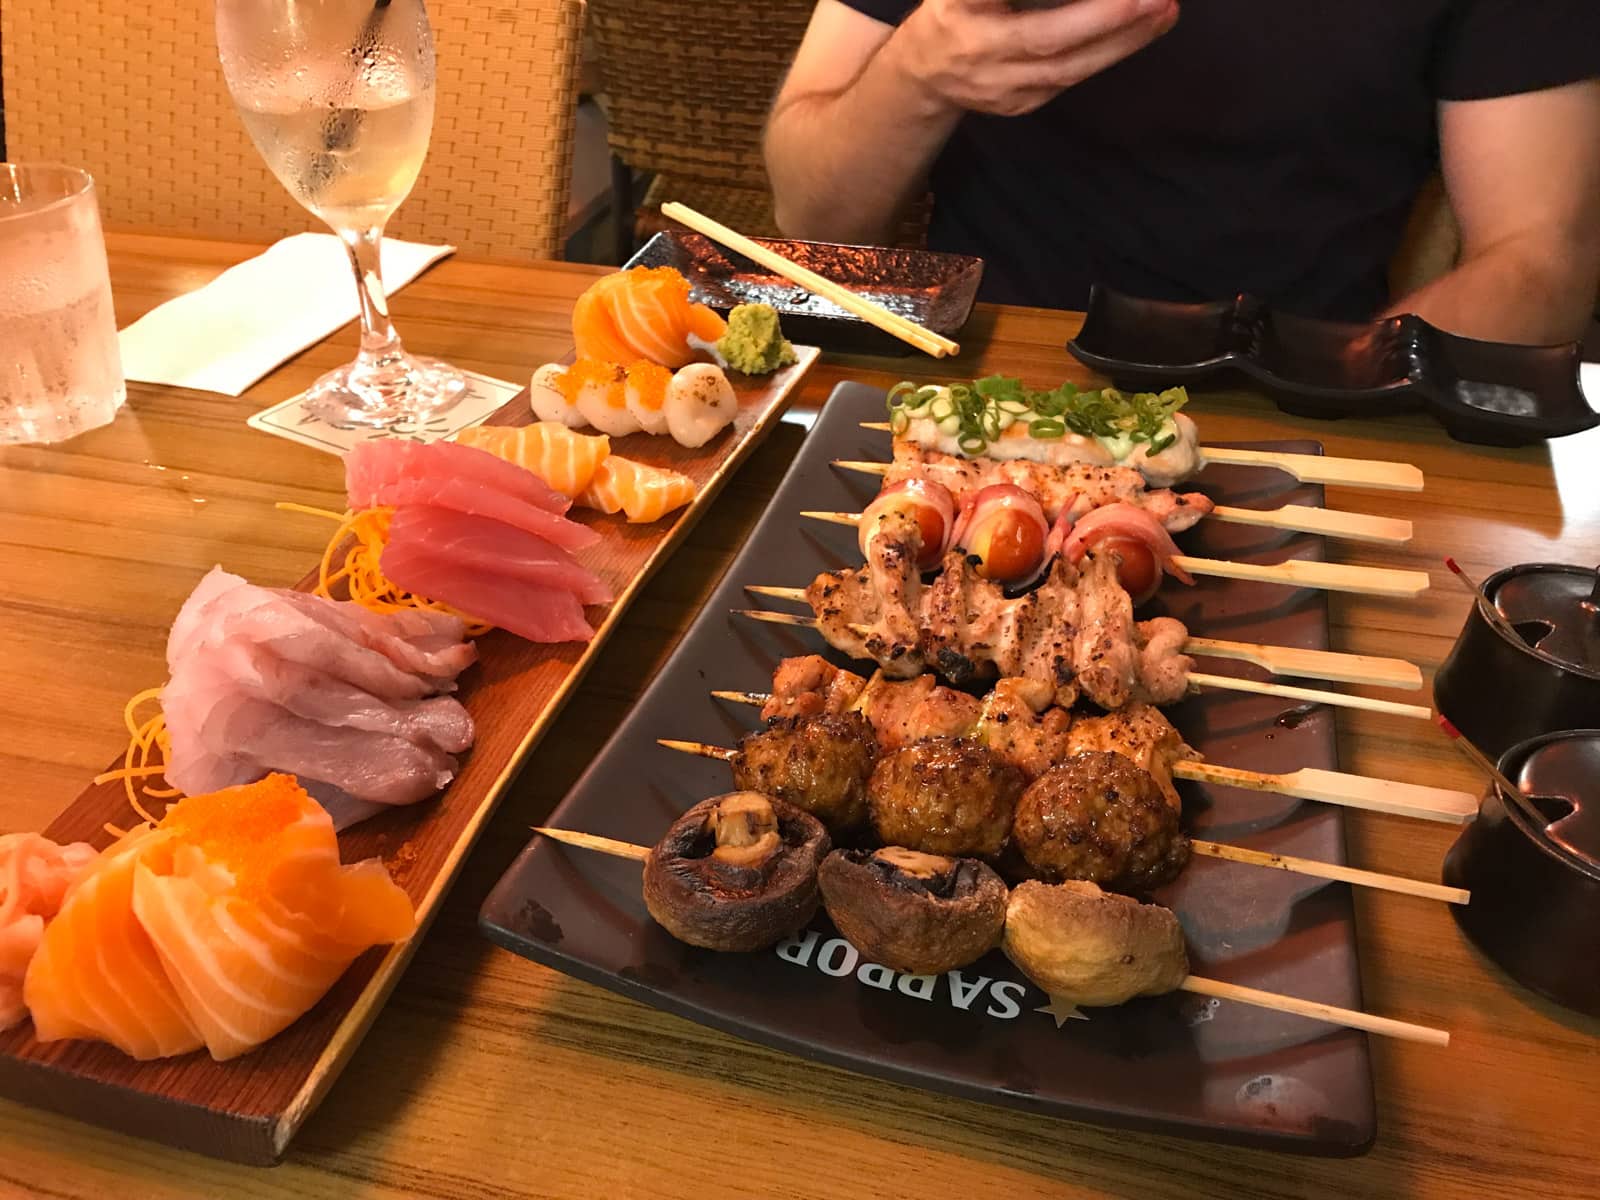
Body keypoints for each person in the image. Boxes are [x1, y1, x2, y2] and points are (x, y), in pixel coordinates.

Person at [764, 0, 1600, 343]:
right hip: (978, 366)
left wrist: (1341, 383)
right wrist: (917, 75)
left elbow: (1542, 256)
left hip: (1303, 399)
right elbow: (811, 213)